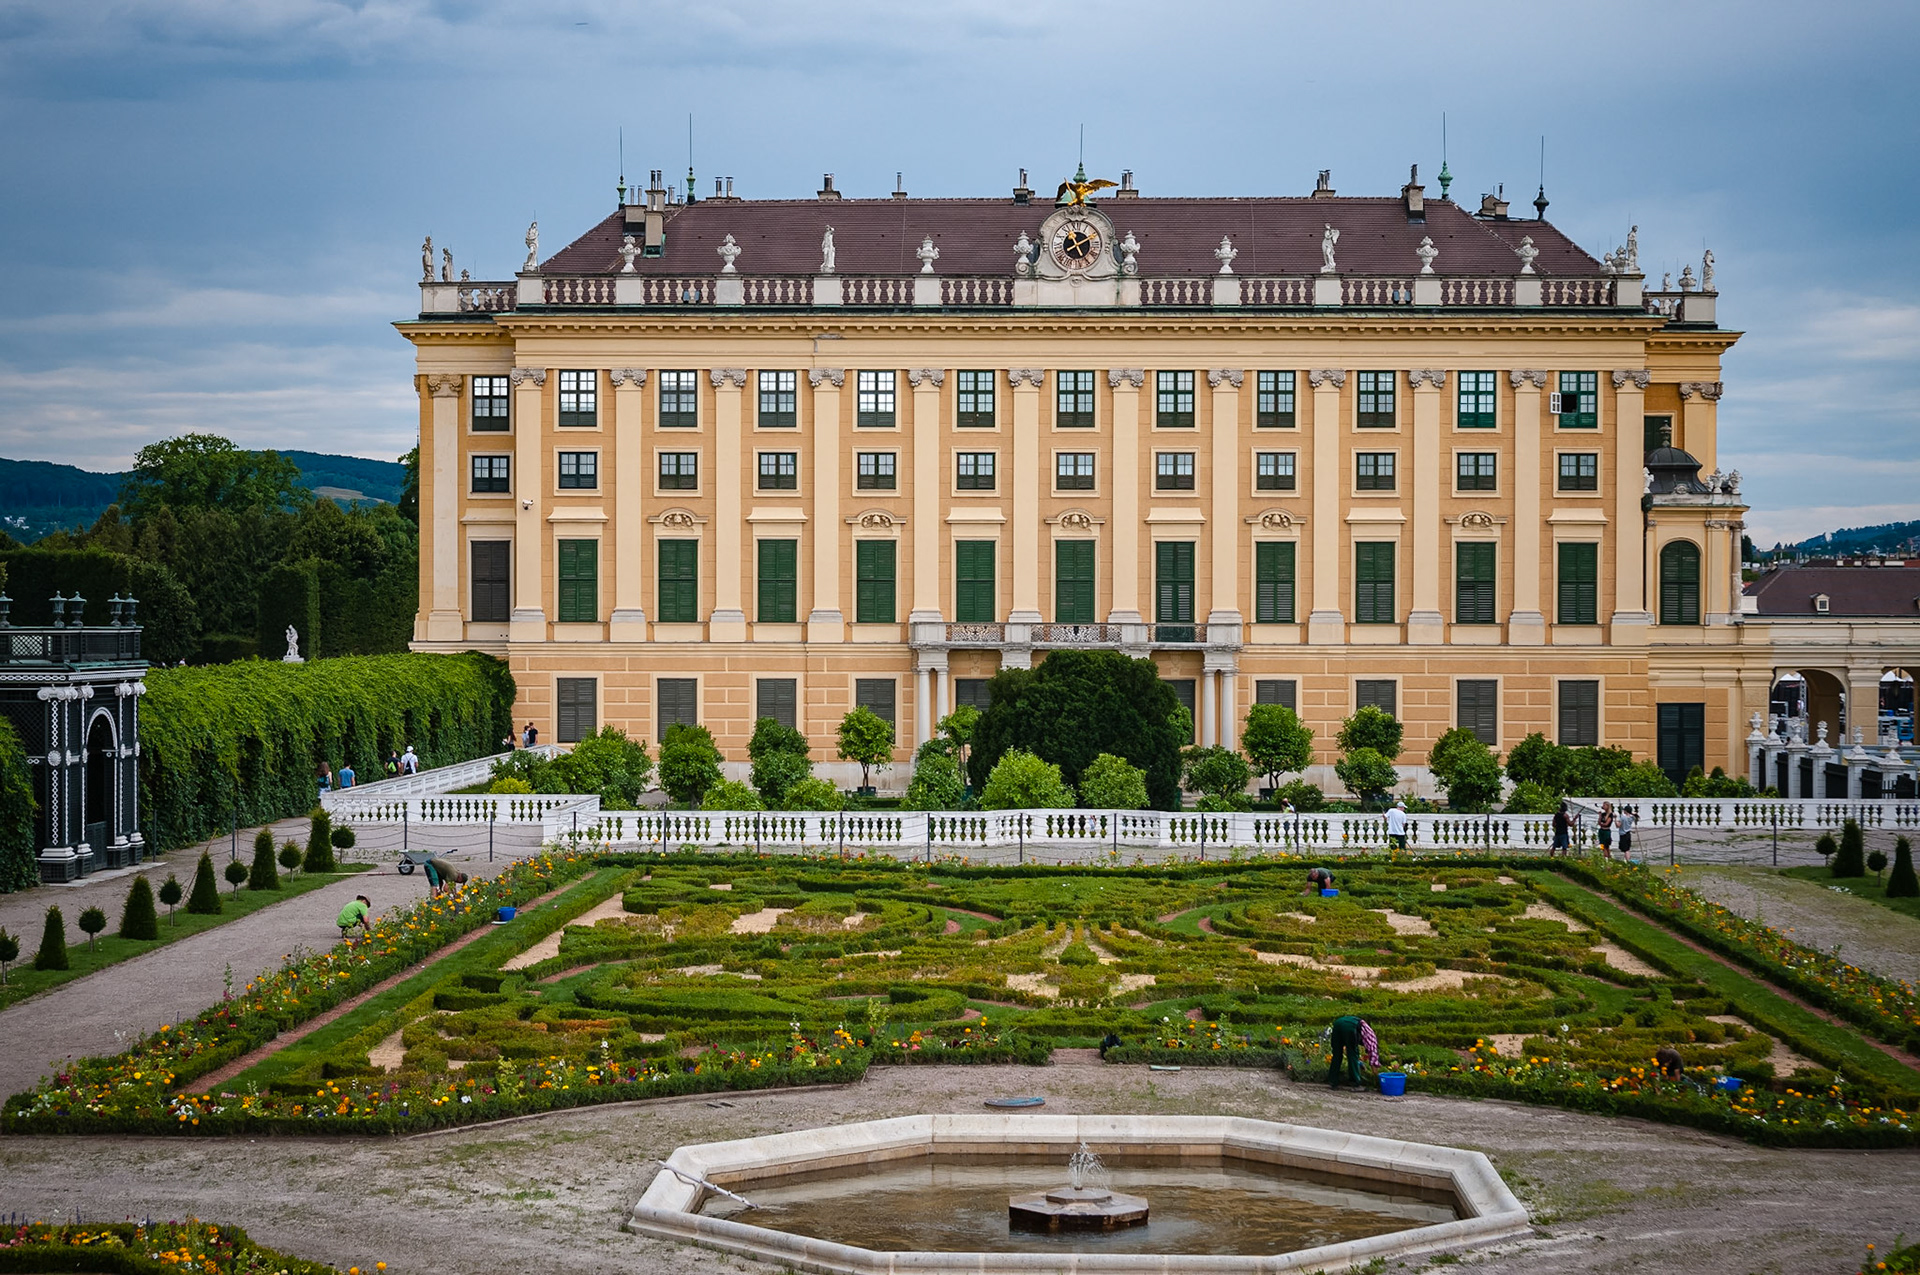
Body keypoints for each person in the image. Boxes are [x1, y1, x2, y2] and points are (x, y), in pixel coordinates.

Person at [1327, 1014, 1378, 1088]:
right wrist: (1375, 1075)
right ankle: (1355, 1082)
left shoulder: (1365, 1031)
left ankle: (1333, 1081)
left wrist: (1359, 1063)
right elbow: (1373, 1056)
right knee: (1353, 1054)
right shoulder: (1372, 1039)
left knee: (1337, 1054)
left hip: (1338, 1023)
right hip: (1351, 1027)